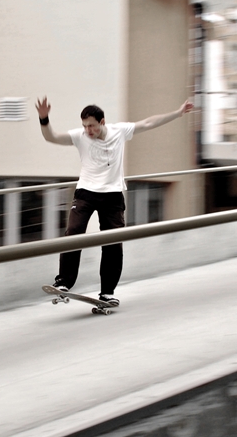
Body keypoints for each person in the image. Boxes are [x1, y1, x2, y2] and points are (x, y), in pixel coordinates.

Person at [35, 96, 194, 305]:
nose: (88, 131)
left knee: (112, 243)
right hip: (85, 193)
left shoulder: (119, 131)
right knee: (73, 233)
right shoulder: (79, 136)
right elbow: (52, 137)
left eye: (91, 126)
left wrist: (178, 112)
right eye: (84, 126)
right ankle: (64, 282)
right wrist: (44, 119)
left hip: (112, 196)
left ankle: (107, 292)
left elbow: (148, 123)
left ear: (102, 122)